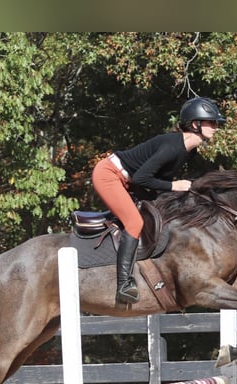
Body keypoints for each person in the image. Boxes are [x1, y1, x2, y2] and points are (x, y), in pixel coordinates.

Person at [91, 96, 226, 304]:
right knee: (135, 222)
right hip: (109, 174)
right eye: (212, 122)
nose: (216, 127)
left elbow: (156, 181)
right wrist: (174, 186)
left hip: (129, 181)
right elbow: (142, 178)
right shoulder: (173, 147)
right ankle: (124, 285)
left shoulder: (189, 152)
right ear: (195, 124)